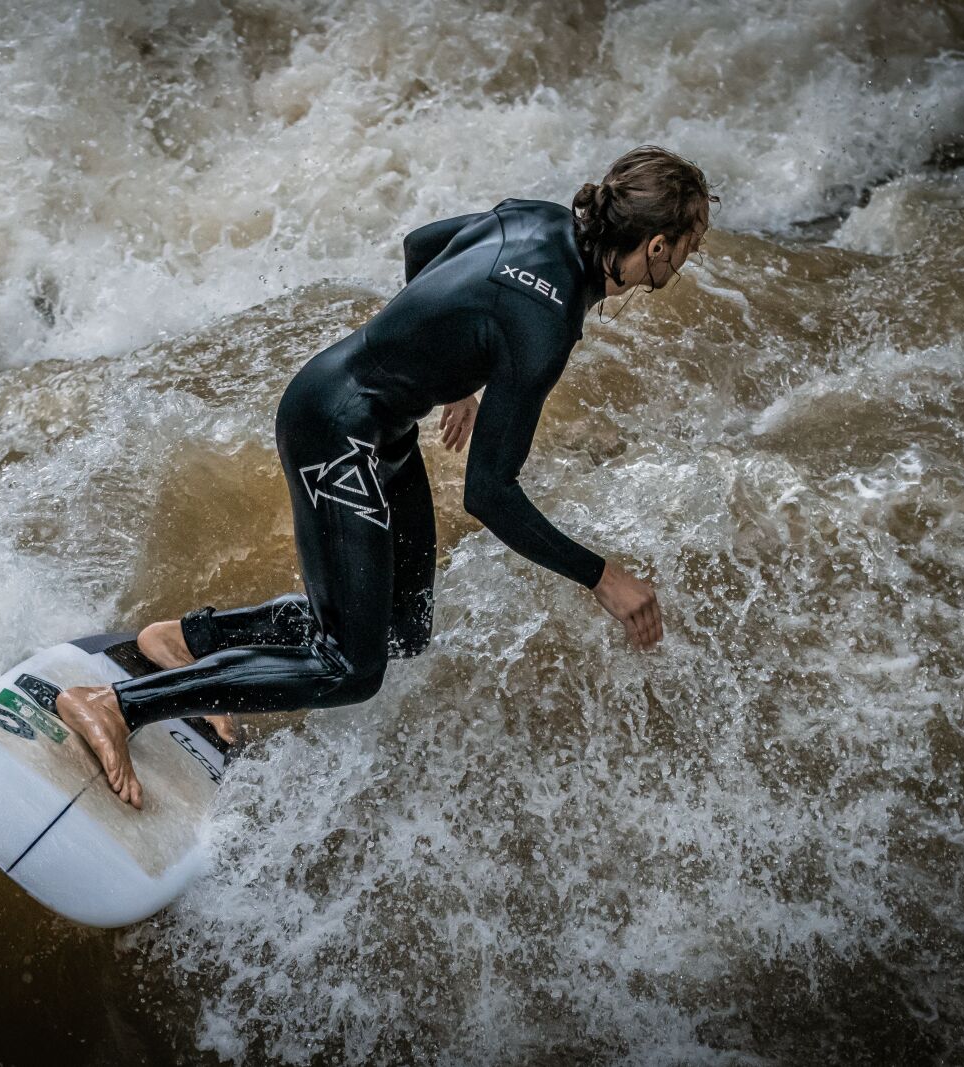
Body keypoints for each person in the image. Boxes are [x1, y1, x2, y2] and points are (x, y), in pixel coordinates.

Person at [58, 145, 716, 808]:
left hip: (374, 425)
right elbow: (489, 492)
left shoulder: (537, 219)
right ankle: (116, 702)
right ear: (656, 247)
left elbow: (421, 245)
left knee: (404, 624)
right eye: (688, 247)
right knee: (352, 667)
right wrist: (602, 577)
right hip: (335, 428)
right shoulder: (545, 326)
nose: (685, 261)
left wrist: (456, 372)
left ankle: (185, 640)